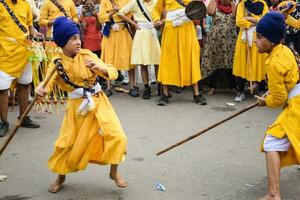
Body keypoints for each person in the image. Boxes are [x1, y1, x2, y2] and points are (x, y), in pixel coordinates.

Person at [35, 17, 128, 193]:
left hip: (99, 101)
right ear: (62, 42)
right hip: (77, 108)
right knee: (67, 145)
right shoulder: (57, 63)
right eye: (73, 39)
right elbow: (46, 84)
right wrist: (41, 90)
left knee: (118, 136)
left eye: (78, 37)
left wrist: (99, 69)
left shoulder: (87, 55)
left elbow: (112, 71)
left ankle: (114, 172)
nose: (78, 42)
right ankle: (60, 177)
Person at [255, 11, 300, 200]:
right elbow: (284, 84)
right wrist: (271, 93)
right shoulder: (285, 50)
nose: (255, 41)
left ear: (272, 40)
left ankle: (274, 194)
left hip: (297, 105)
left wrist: (266, 101)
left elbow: (279, 97)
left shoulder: (273, 62)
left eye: (259, 37)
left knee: (271, 141)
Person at [152, 0, 207, 106]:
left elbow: (199, 8)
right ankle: (165, 94)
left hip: (187, 30)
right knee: (168, 61)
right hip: (170, 31)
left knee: (191, 60)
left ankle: (196, 94)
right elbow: (156, 9)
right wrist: (156, 20)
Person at [0, 0, 41, 136]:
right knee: (2, 89)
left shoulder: (25, 5)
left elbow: (29, 26)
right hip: (5, 54)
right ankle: (3, 122)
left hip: (24, 51)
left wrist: (34, 34)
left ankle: (23, 118)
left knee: (25, 84)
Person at [118, 0, 161, 99]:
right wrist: (133, 23)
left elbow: (162, 11)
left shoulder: (156, 1)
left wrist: (159, 22)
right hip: (141, 32)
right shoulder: (135, 2)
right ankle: (147, 88)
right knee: (143, 63)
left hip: (152, 31)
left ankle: (160, 86)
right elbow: (120, 12)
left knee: (157, 61)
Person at [98, 0, 138, 97]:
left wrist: (116, 12)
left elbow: (129, 15)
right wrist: (113, 12)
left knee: (128, 58)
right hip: (110, 32)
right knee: (108, 59)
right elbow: (101, 18)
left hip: (123, 31)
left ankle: (132, 86)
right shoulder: (104, 1)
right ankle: (108, 86)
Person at [232, 0, 269, 102]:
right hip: (244, 38)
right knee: (242, 63)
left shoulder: (263, 4)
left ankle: (262, 90)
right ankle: (241, 91)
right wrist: (255, 22)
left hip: (258, 38)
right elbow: (239, 21)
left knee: (259, 63)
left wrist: (251, 19)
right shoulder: (242, 4)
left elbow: (265, 20)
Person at [202, 0, 237, 96]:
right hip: (216, 41)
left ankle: (232, 87)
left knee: (229, 64)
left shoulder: (233, 6)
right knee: (215, 64)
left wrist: (232, 2)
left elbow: (235, 16)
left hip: (230, 41)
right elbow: (209, 12)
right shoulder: (215, 5)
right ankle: (212, 87)